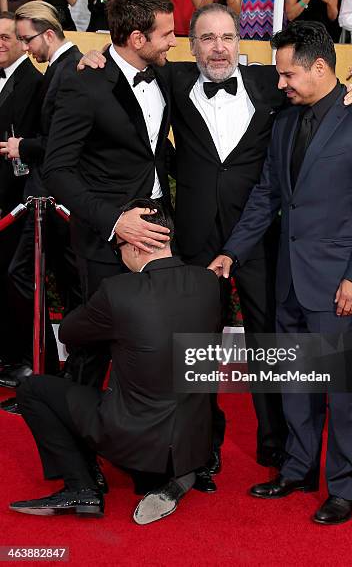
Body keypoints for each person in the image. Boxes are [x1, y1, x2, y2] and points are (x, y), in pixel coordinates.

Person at [79, 3, 352, 488]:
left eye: (227, 37)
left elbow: (322, 94)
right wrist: (91, 56)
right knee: (197, 353)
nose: (218, 47)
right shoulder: (171, 80)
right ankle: (202, 447)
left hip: (260, 242)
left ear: (241, 41)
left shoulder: (271, 84)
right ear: (189, 45)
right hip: (195, 244)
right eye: (206, 38)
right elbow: (122, 65)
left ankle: (279, 446)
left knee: (273, 348)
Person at [209, 20, 352, 524]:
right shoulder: (286, 121)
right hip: (289, 277)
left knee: (343, 390)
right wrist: (234, 250)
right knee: (294, 381)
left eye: (289, 74)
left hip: (340, 284)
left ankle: (345, 486)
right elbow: (268, 194)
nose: (281, 84)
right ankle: (297, 469)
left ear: (319, 67)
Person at [9, 198, 221, 524]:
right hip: (190, 446)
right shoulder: (208, 283)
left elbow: (69, 332)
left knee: (32, 389)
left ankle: (80, 487)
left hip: (135, 443)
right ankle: (182, 476)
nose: (118, 254)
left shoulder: (118, 291)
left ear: (135, 245)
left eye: (118, 245)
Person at [43, 0, 176, 389]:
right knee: (96, 347)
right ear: (138, 38)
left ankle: (135, 431)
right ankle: (78, 441)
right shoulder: (84, 84)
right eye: (168, 34)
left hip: (158, 230)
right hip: (105, 239)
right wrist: (116, 222)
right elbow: (57, 170)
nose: (175, 41)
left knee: (154, 342)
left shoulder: (164, 72)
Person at [0, 2, 82, 397]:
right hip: (49, 193)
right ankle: (54, 374)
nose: (24, 47)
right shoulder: (64, 68)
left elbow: (60, 142)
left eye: (26, 39)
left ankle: (45, 372)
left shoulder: (69, 70)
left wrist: (22, 146)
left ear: (48, 34)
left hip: (50, 194)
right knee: (64, 282)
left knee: (28, 275)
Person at [0, 11, 43, 378]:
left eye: (6, 36)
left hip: (18, 202)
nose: (0, 42)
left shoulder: (35, 82)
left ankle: (25, 360)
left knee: (18, 282)